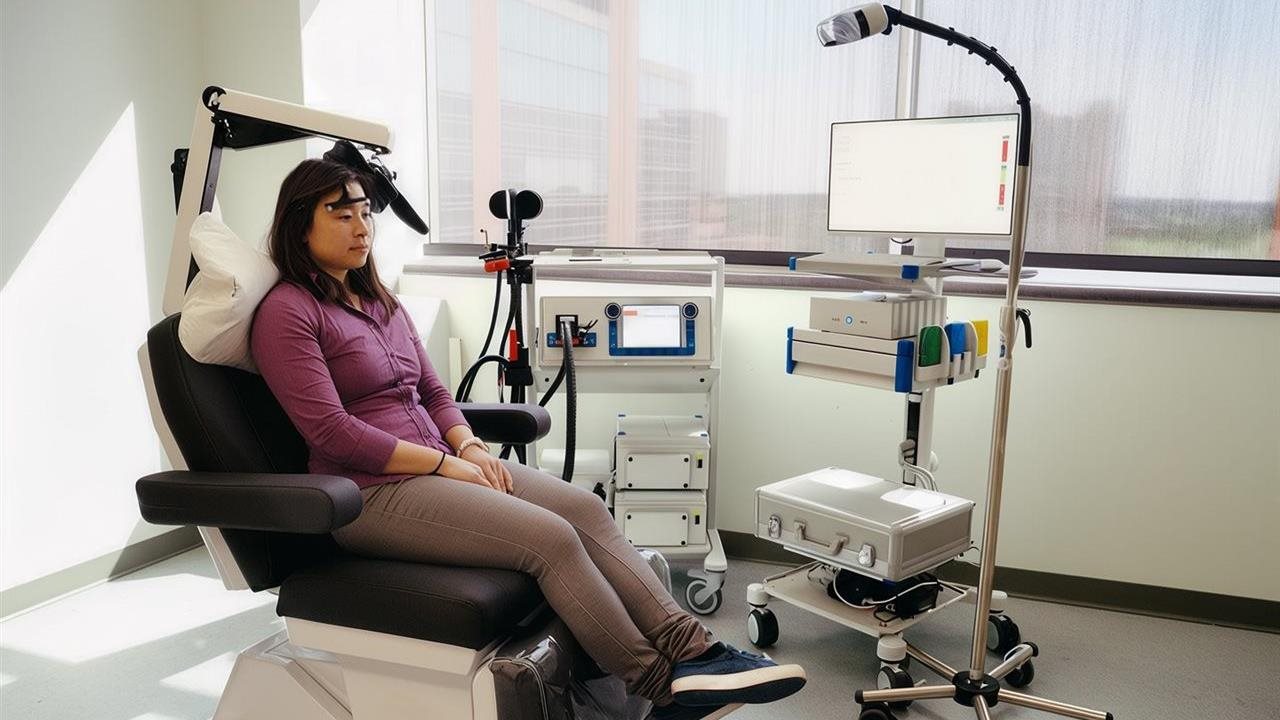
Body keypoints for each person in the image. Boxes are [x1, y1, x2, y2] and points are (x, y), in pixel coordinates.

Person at [249, 158, 806, 719]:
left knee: (585, 509)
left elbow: (436, 393)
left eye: (366, 213)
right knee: (552, 540)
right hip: (370, 494)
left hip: (441, 464)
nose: (362, 227)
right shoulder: (288, 312)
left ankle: (697, 651)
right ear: (300, 224)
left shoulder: (379, 303)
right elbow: (333, 432)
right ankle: (661, 687)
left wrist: (467, 447)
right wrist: (444, 467)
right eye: (341, 214)